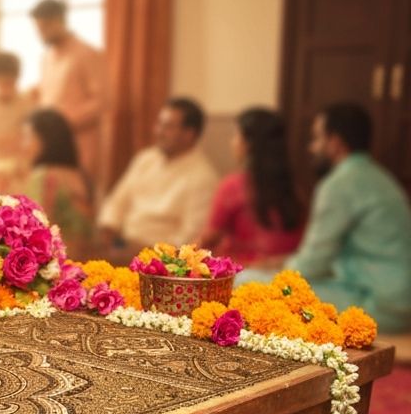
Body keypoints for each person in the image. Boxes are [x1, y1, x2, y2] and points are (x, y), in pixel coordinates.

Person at [280, 103, 411, 331]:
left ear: (335, 142)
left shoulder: (339, 184)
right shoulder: (381, 177)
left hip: (378, 304)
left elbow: (311, 264)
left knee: (249, 283)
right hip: (398, 299)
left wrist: (275, 277)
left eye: (317, 138)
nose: (311, 147)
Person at [97, 97, 219, 254]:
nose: (158, 132)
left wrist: (150, 253)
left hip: (159, 263)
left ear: (189, 134)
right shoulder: (146, 159)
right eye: (159, 124)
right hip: (121, 248)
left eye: (167, 127)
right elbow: (116, 202)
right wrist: (108, 229)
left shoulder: (203, 177)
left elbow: (190, 238)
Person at [200, 108, 303, 266]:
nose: (232, 142)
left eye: (235, 135)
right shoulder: (295, 189)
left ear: (249, 143)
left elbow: (209, 238)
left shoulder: (234, 186)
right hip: (287, 274)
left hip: (243, 274)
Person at [31, 0, 106, 183]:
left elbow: (103, 101)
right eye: (38, 28)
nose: (41, 33)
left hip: (80, 145)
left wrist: (63, 124)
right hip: (49, 147)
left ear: (60, 21)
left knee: (77, 200)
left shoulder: (87, 53)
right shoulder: (46, 58)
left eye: (45, 26)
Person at [21, 108, 93, 259]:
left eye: (28, 137)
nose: (24, 146)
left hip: (55, 265)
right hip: (84, 263)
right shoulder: (81, 176)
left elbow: (34, 229)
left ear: (45, 141)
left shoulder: (43, 176)